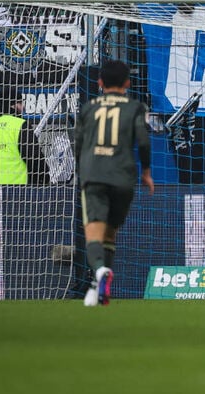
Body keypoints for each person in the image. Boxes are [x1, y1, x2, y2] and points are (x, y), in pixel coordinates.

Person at [75, 60, 153, 307]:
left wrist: (83, 167)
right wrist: (147, 172)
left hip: (95, 176)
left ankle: (99, 272)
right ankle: (98, 289)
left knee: (94, 236)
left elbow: (77, 141)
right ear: (128, 83)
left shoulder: (89, 108)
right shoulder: (135, 107)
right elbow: (143, 142)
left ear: (100, 83)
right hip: (122, 178)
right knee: (110, 234)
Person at [0, 88, 44, 186]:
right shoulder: (20, 125)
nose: (23, 107)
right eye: (20, 103)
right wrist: (41, 181)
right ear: (14, 105)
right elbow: (34, 158)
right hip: (14, 193)